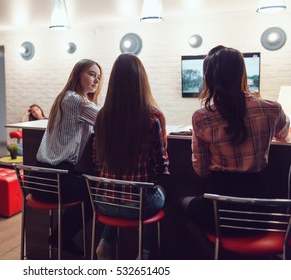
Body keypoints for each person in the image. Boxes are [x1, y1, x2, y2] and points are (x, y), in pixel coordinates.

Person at [181, 45, 291, 232]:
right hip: (259, 210)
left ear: (209, 79)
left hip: (218, 207)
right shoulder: (272, 109)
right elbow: (283, 135)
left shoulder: (201, 117)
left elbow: (200, 170)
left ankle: (214, 253)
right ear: (242, 74)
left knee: (181, 202)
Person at [93, 53, 169, 260]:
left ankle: (104, 242)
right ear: (142, 80)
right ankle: (143, 255)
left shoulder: (102, 116)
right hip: (137, 205)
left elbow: (97, 160)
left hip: (103, 202)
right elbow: (161, 165)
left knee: (123, 193)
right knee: (154, 193)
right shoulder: (153, 116)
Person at [35, 59, 103, 256]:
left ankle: (61, 237)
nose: (96, 80)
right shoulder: (76, 100)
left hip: (41, 179)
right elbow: (108, 121)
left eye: (98, 77)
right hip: (54, 180)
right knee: (97, 191)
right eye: (91, 74)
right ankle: (61, 237)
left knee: (89, 186)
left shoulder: (65, 97)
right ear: (77, 74)